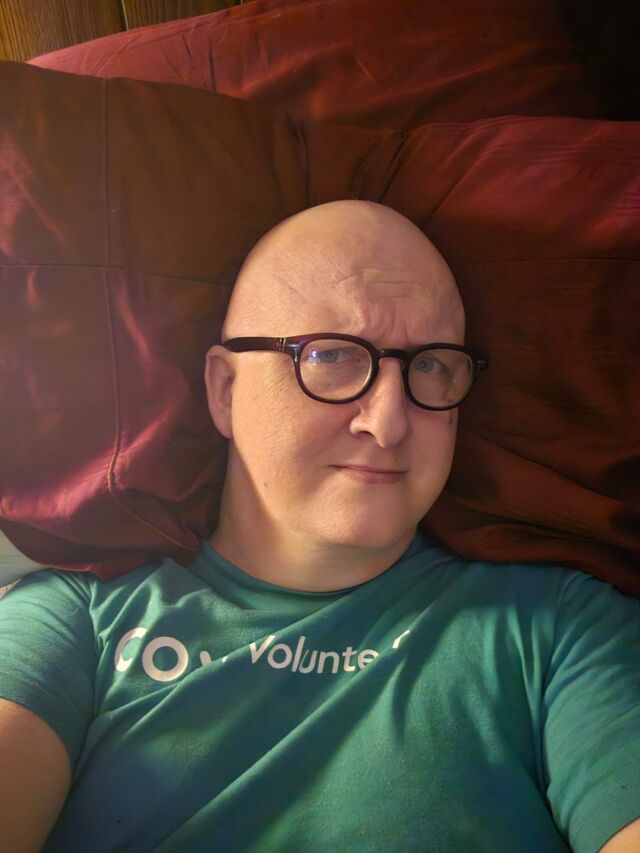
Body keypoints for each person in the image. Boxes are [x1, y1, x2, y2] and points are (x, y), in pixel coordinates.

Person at [0, 200, 638, 852]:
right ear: (225, 389)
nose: (388, 423)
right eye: (331, 356)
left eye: (430, 365)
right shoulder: (73, 619)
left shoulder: (562, 630)